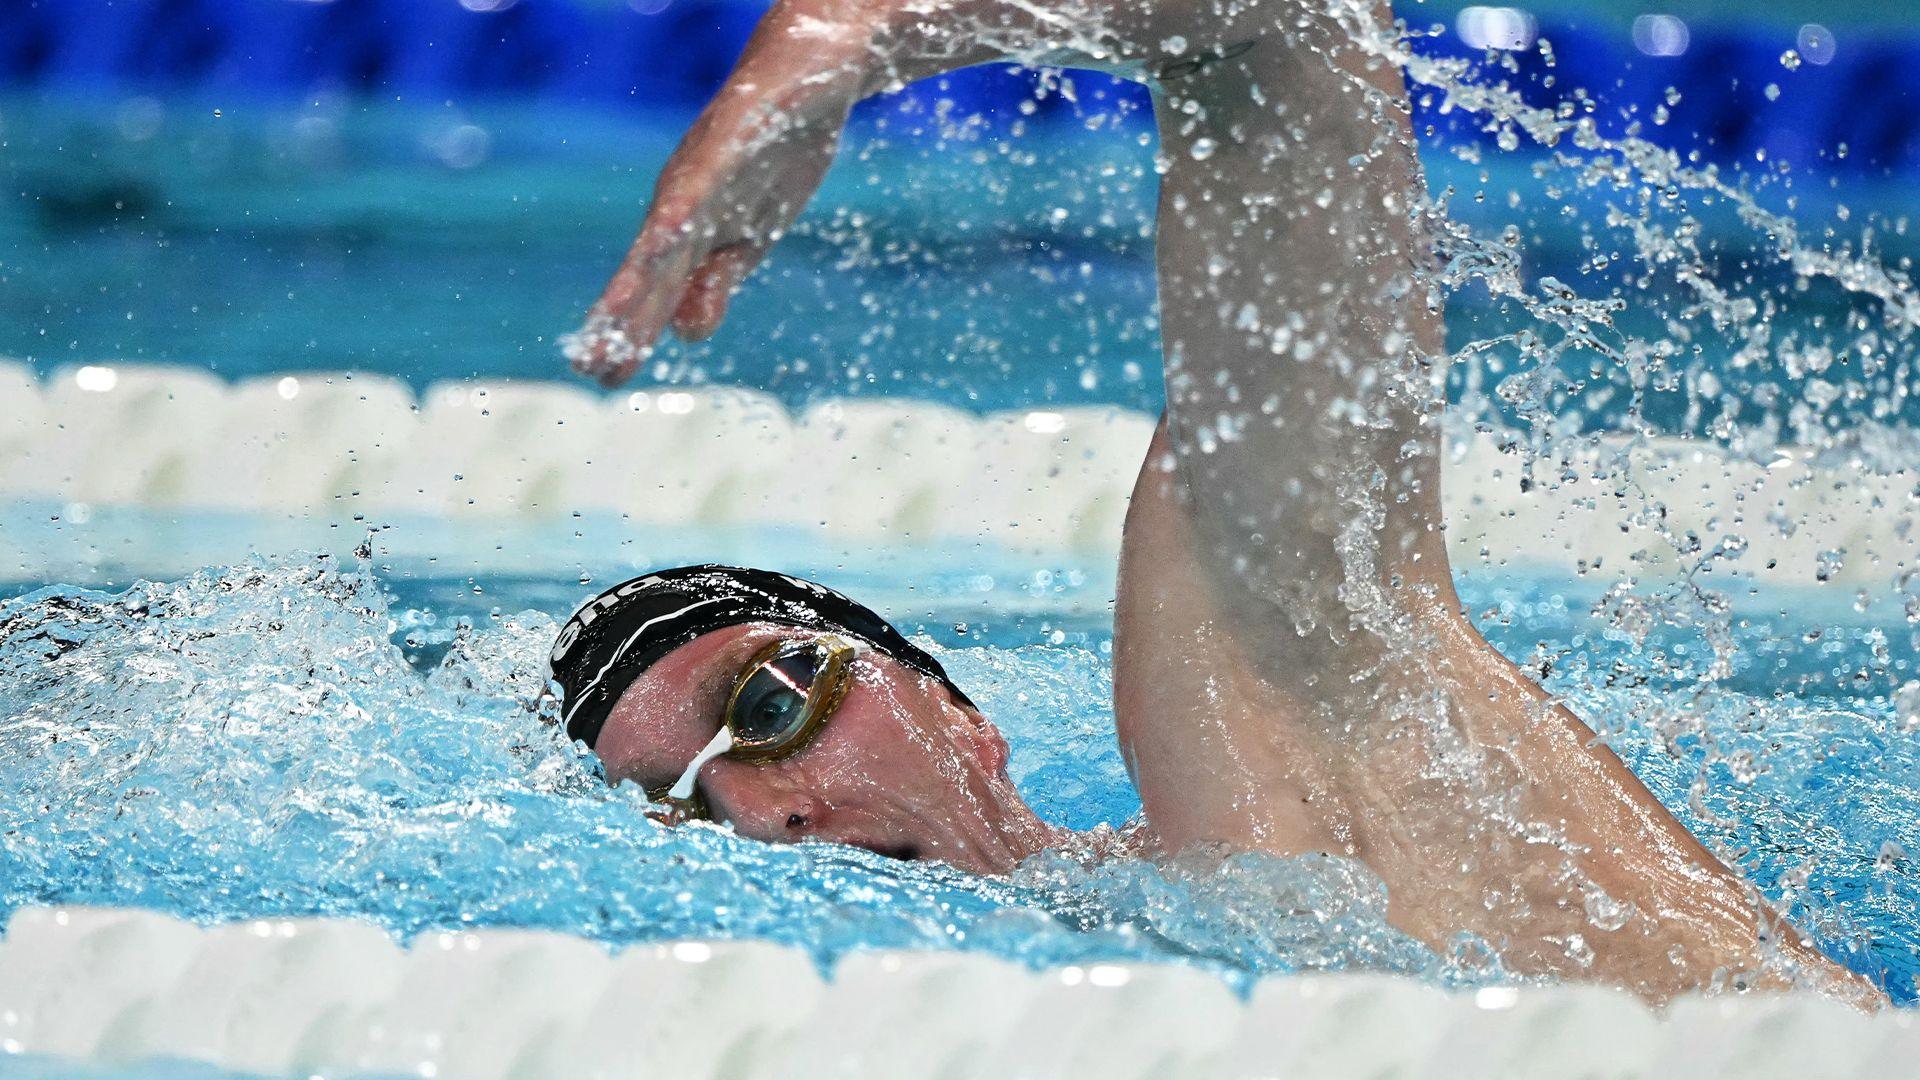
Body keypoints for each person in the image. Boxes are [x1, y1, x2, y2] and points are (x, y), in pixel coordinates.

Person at [554, 0, 1879, 1005]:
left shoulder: (1266, 787)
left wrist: (851, 35)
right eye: (682, 810)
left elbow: (1283, 31)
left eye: (769, 709)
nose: (766, 817)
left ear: (953, 709)